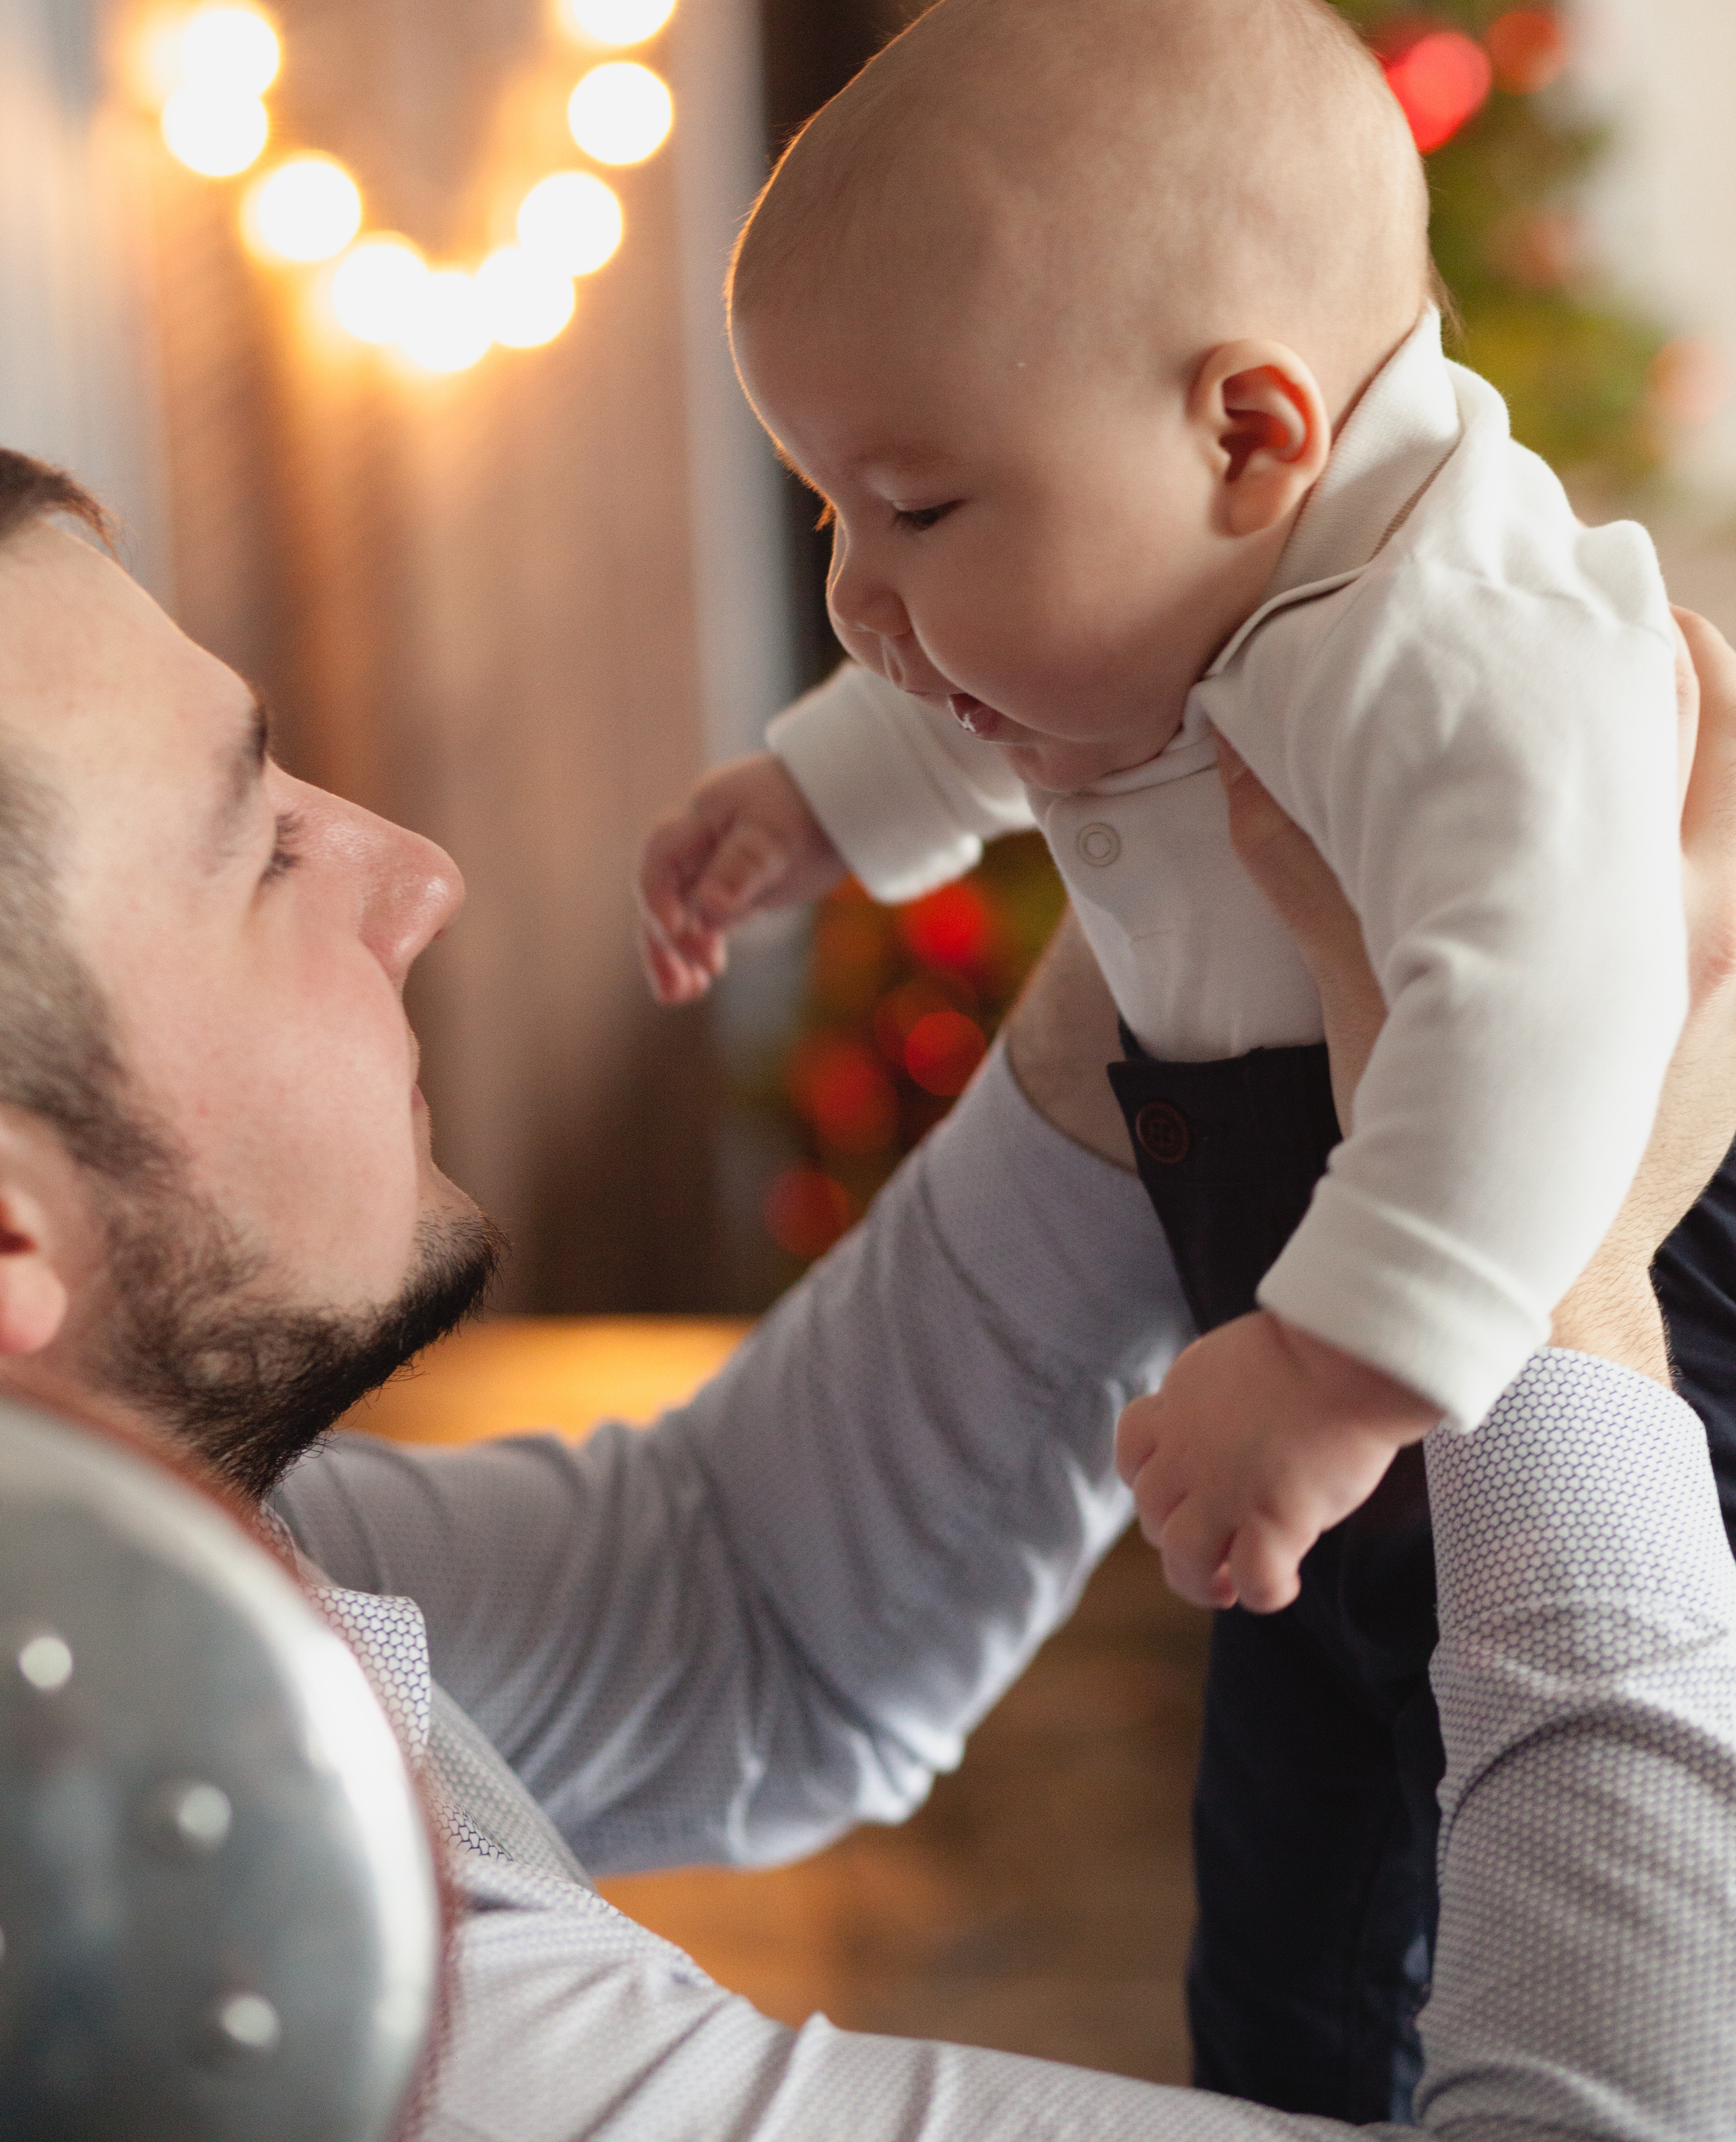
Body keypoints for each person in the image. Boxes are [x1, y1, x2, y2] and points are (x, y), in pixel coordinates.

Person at [1, 445, 1735, 2137]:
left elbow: (738, 1606)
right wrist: (1544, 1252)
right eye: (262, 853)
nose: (416, 873)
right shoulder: (381, 2058)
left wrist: (1210, 863)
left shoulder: (132, 1578)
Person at [632, 0, 1703, 2114]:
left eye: (914, 504)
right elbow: (1020, 698)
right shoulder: (1201, 572)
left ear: (1252, 429)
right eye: (831, 507)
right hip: (1323, 1316)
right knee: (1300, 1892)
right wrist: (815, 795)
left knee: (1566, 1845)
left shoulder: (1450, 650)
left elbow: (1557, 1011)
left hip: (1593, 1309)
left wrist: (1330, 1366)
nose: (857, 586)